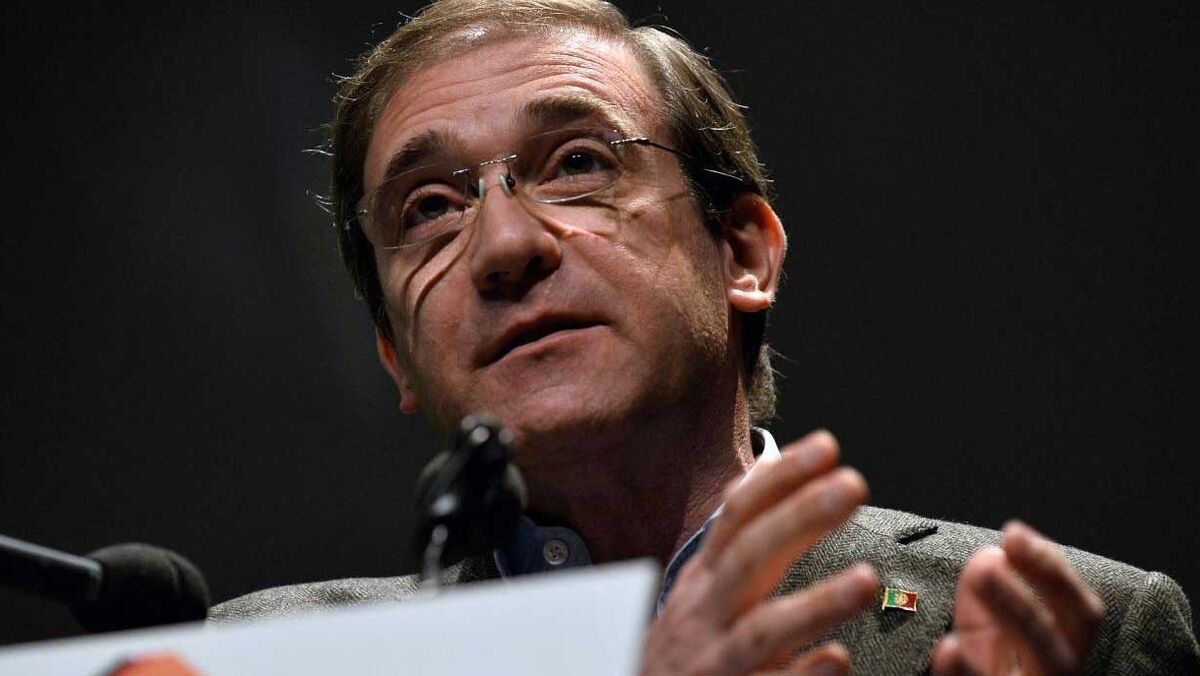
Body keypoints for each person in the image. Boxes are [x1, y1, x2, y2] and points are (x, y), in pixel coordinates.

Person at [209, 0, 1198, 672]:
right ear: (395, 352)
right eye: (429, 207)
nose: (503, 246)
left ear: (743, 255)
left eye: (579, 163)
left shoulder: (1076, 635)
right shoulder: (252, 660)